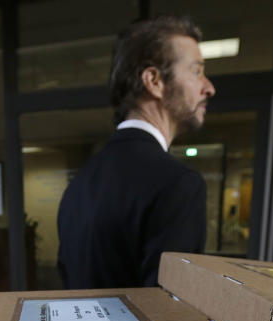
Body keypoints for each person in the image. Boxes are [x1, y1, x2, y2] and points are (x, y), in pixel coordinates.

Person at [57, 15, 216, 288]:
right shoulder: (179, 185)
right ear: (154, 81)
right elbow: (169, 317)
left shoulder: (79, 183)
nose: (209, 87)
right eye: (196, 71)